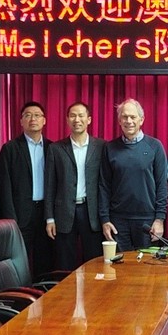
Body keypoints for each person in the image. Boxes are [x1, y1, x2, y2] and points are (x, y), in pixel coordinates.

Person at [100, 99, 168, 251]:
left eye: (133, 117)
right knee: (120, 264)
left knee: (147, 265)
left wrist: (159, 219)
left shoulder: (155, 146)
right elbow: (104, 186)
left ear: (141, 120)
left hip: (147, 220)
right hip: (117, 221)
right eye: (124, 117)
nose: (129, 121)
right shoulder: (109, 148)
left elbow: (162, 185)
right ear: (119, 121)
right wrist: (105, 219)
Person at [44, 102, 104, 270]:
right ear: (67, 120)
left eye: (81, 115)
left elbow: (106, 184)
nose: (77, 119)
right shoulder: (55, 149)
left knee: (94, 262)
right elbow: (49, 186)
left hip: (91, 212)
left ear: (89, 119)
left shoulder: (101, 146)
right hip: (64, 212)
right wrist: (49, 218)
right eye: (72, 116)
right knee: (64, 263)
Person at [0, 101, 55, 277]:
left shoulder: (52, 148)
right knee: (18, 263)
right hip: (20, 215)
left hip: (45, 214)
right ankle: (20, 293)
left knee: (45, 261)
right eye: (28, 115)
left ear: (44, 120)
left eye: (37, 115)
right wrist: (11, 219)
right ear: (21, 121)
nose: (33, 119)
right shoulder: (10, 148)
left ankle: (43, 292)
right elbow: (5, 187)